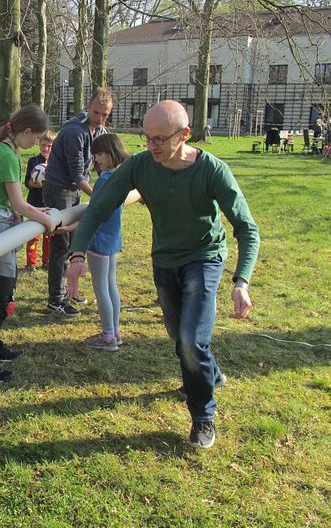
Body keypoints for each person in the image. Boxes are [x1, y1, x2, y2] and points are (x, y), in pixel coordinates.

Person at [66, 100, 259, 449]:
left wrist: (241, 281)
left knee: (190, 340)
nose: (152, 146)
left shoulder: (212, 170)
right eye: (147, 138)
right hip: (165, 260)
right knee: (178, 333)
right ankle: (209, 372)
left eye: (160, 139)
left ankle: (203, 417)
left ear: (184, 135)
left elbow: (247, 228)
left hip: (204, 257)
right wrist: (77, 251)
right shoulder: (141, 166)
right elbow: (99, 207)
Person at [0, 105, 57, 382]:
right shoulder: (7, 155)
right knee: (2, 297)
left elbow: (14, 203)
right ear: (26, 132)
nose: (37, 144)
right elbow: (17, 203)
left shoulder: (6, 149)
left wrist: (43, 212)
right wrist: (47, 220)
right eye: (36, 138)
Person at [43, 87, 113, 317]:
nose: (100, 119)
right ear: (87, 108)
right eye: (96, 113)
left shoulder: (99, 130)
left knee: (75, 239)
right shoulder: (75, 132)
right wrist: (99, 197)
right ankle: (56, 299)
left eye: (105, 114)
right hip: (59, 188)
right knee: (61, 243)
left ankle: (69, 290)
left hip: (75, 188)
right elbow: (77, 174)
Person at [80, 134, 137, 352]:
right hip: (113, 239)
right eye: (95, 154)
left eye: (100, 154)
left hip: (100, 240)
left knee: (101, 287)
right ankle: (114, 331)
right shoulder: (119, 177)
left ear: (113, 153)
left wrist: (71, 228)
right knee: (111, 284)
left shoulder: (104, 180)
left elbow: (95, 214)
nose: (97, 158)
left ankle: (107, 336)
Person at [23, 130, 56, 272]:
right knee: (32, 235)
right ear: (38, 144)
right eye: (43, 145)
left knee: (49, 235)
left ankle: (47, 261)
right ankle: (31, 263)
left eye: (49, 146)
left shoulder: (56, 163)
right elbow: (26, 182)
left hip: (49, 203)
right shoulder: (33, 161)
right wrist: (31, 183)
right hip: (34, 203)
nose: (46, 148)